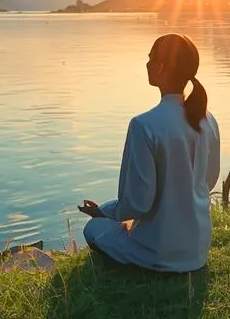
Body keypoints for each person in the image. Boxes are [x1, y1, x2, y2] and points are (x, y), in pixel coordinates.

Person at [78, 34, 220, 272]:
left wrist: (103, 212)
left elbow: (137, 204)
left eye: (150, 58)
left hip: (159, 252)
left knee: (93, 229)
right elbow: (209, 180)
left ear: (161, 67)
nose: (146, 64)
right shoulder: (208, 119)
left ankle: (137, 254)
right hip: (197, 251)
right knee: (113, 220)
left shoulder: (144, 125)